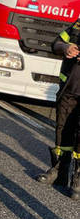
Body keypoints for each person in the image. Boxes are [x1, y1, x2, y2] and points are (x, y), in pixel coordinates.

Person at [36, 18, 80, 200]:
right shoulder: (78, 25)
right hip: (69, 89)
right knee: (63, 129)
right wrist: (66, 48)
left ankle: (78, 180)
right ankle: (59, 172)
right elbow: (56, 43)